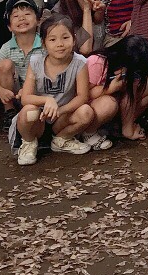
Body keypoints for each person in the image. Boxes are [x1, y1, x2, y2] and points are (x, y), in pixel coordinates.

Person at [10, 14, 94, 164]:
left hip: (61, 118)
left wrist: (60, 111)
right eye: (53, 39)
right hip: (39, 119)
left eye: (65, 38)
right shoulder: (36, 62)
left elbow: (82, 96)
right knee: (29, 111)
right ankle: (29, 143)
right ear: (44, 43)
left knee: (86, 112)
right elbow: (26, 97)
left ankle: (62, 139)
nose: (60, 44)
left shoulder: (79, 62)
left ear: (74, 40)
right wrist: (47, 100)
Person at [85, 34, 148, 145]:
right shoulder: (97, 62)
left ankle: (118, 126)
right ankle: (88, 132)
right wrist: (110, 88)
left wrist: (127, 129)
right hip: (93, 108)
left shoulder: (133, 70)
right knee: (109, 104)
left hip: (116, 106)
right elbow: (84, 94)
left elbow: (130, 95)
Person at [0, 0, 44, 117]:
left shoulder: (45, 45)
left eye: (27, 14)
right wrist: (0, 91)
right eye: (16, 16)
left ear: (38, 20)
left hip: (39, 93)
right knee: (4, 65)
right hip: (15, 94)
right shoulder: (7, 47)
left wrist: (28, 91)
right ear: (9, 27)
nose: (22, 18)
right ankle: (9, 111)